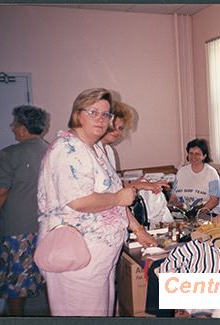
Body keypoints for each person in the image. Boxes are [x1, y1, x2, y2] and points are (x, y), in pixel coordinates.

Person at [36, 88, 155, 316]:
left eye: (106, 114)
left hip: (97, 261)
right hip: (77, 260)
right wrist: (119, 197)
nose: (101, 119)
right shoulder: (68, 149)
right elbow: (78, 201)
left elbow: (112, 198)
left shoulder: (94, 149)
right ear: (77, 114)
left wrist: (137, 229)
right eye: (93, 112)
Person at [0, 105, 49, 316]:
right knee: (47, 278)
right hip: (47, 227)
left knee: (15, 284)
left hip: (17, 229)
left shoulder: (9, 154)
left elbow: (1, 192)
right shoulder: (51, 150)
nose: (12, 127)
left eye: (14, 124)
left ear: (24, 128)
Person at [97, 100, 168, 193]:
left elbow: (116, 187)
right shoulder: (91, 150)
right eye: (113, 126)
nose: (117, 131)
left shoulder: (109, 151)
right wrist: (138, 185)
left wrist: (139, 183)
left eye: (120, 128)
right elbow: (103, 193)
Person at [170, 138, 220, 215]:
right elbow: (173, 197)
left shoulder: (211, 173)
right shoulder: (181, 171)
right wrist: (173, 205)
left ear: (204, 156)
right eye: (191, 153)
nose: (193, 157)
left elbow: (214, 201)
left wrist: (197, 213)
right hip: (183, 214)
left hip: (206, 214)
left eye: (197, 154)